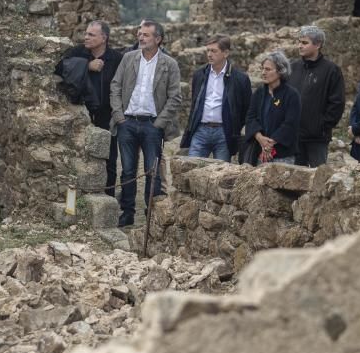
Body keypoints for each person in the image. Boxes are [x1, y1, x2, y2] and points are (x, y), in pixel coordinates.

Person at [110, 20, 181, 227]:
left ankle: (152, 214)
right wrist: (119, 116)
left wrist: (159, 123)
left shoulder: (170, 64)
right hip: (128, 123)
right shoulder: (128, 58)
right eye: (139, 34)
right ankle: (127, 213)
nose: (140, 37)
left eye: (146, 35)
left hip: (152, 125)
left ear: (158, 39)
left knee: (153, 172)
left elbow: (175, 97)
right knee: (128, 171)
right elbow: (115, 86)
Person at [55, 20, 122, 195]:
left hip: (107, 116)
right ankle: (80, 197)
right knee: (78, 157)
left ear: (104, 38)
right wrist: (87, 66)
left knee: (109, 158)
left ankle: (108, 196)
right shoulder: (77, 52)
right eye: (85, 33)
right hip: (80, 114)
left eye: (91, 34)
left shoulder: (116, 58)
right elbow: (60, 67)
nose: (86, 37)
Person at [181, 34, 252, 161]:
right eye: (208, 50)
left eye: (214, 51)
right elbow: (195, 104)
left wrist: (234, 130)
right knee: (191, 170)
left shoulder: (240, 79)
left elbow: (246, 109)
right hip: (201, 131)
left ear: (225, 53)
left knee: (220, 177)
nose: (209, 54)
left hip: (224, 133)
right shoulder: (199, 75)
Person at [288, 26, 345, 167]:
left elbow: (337, 103)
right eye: (299, 42)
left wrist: (322, 127)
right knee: (293, 182)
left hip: (317, 139)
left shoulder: (331, 70)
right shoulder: (293, 68)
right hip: (294, 137)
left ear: (318, 44)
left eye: (304, 42)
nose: (299, 46)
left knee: (317, 181)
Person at [243, 51, 301, 165]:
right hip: (259, 152)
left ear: (280, 71)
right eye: (262, 69)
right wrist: (260, 139)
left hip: (283, 155)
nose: (263, 73)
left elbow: (290, 123)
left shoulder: (291, 95)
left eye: (268, 69)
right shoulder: (259, 93)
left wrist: (270, 143)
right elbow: (250, 118)